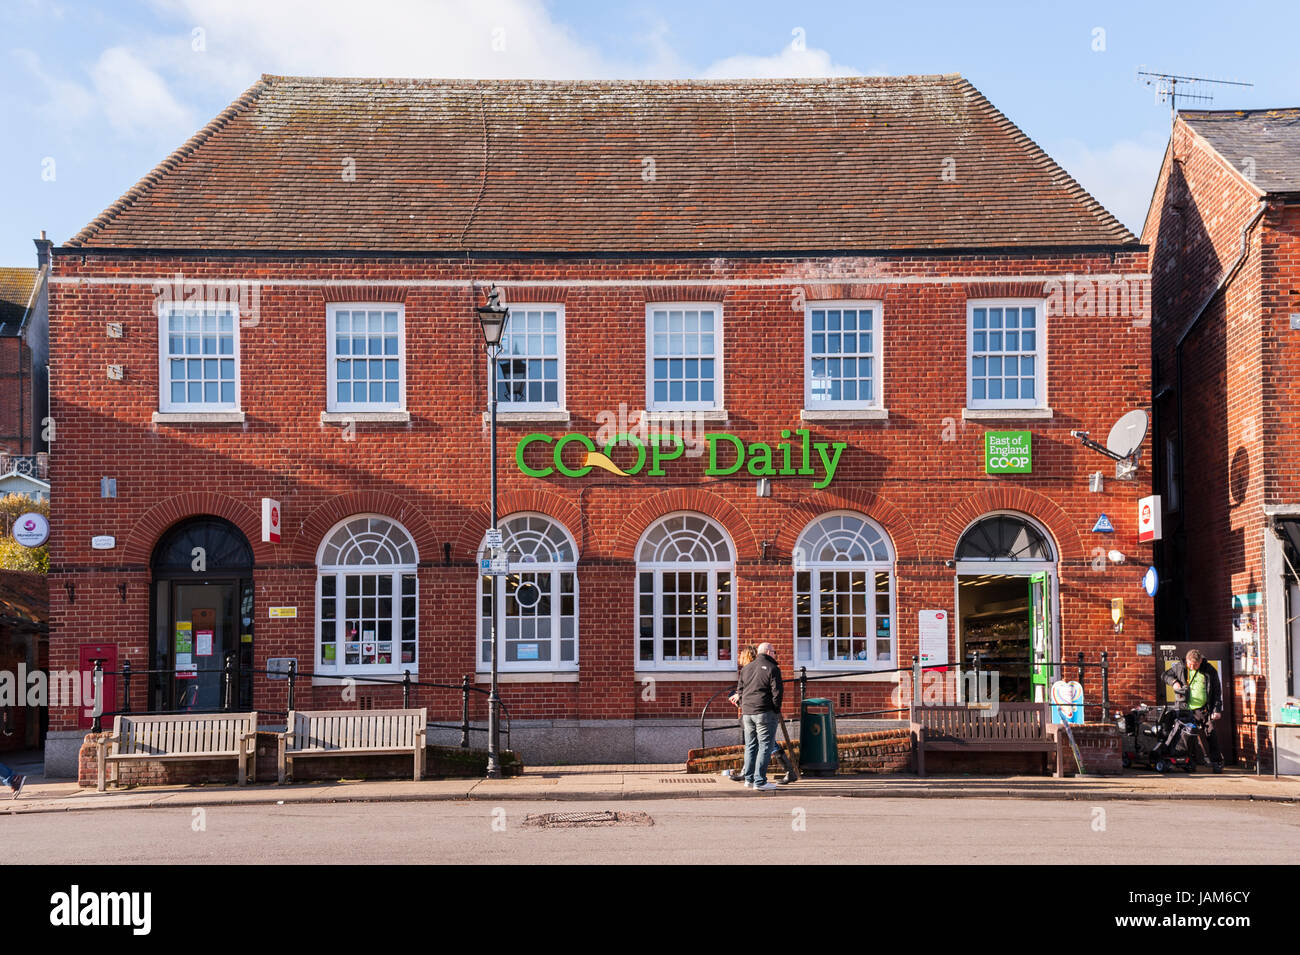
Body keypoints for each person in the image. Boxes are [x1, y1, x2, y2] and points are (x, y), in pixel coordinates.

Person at [729, 642, 784, 791]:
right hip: (764, 712)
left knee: (751, 745)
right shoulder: (773, 669)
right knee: (765, 746)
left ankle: (749, 779)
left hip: (747, 713)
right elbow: (777, 693)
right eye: (773, 651)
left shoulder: (746, 669)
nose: (775, 654)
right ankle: (760, 781)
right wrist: (775, 709)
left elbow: (740, 690)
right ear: (767, 652)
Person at [1162, 649, 1224, 772]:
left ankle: (1217, 762)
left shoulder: (1209, 670)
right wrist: (1174, 682)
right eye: (1190, 664)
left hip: (1203, 709)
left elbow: (1217, 691)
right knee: (1185, 735)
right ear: (1187, 661)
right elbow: (1164, 675)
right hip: (1185, 709)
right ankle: (1189, 760)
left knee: (1211, 734)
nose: (1192, 667)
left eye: (1195, 665)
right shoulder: (1180, 667)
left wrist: (1216, 709)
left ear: (1201, 661)